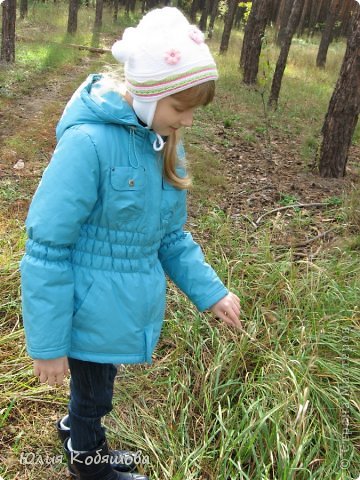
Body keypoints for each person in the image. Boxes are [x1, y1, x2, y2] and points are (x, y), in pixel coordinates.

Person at [20, 7, 241, 480]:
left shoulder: (163, 144)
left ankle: (76, 432)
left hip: (119, 306)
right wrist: (48, 343)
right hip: (85, 305)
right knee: (95, 393)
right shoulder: (89, 145)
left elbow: (171, 238)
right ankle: (89, 462)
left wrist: (212, 292)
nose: (185, 122)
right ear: (147, 93)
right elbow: (46, 247)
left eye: (192, 112)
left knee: (97, 387)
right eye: (179, 109)